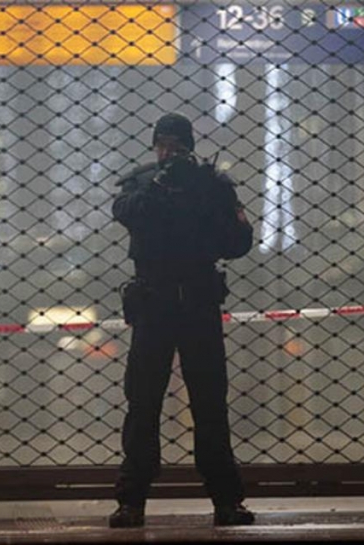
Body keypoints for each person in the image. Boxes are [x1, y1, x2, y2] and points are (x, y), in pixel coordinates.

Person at [109, 113, 255, 528]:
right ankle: (132, 501)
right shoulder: (144, 183)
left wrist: (202, 199)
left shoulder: (210, 184)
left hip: (193, 301)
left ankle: (226, 500)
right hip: (160, 302)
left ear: (188, 146)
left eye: (175, 145)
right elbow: (125, 212)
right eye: (164, 145)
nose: (168, 152)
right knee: (144, 403)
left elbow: (239, 241)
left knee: (208, 403)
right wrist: (161, 187)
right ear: (155, 146)